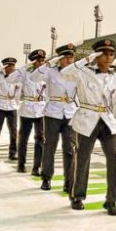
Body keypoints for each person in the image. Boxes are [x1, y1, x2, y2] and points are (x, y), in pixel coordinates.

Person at [62, 38, 116, 215]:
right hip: (87, 118)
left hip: (107, 118)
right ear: (97, 55)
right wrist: (86, 60)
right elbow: (65, 73)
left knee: (115, 157)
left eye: (111, 54)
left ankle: (112, 199)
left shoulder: (115, 77)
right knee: (82, 157)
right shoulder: (83, 72)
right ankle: (77, 195)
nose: (108, 57)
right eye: (104, 54)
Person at [40, 44, 78, 192]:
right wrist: (50, 62)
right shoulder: (50, 72)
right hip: (53, 113)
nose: (69, 60)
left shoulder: (76, 73)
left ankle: (69, 182)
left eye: (71, 57)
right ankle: (46, 178)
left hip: (70, 113)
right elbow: (35, 76)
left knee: (70, 149)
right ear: (60, 59)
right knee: (50, 147)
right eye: (66, 57)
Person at [13, 55, 47, 175]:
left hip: (41, 109)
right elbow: (14, 79)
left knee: (40, 139)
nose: (40, 62)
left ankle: (36, 167)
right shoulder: (25, 75)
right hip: (27, 109)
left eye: (42, 60)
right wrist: (27, 65)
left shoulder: (46, 75)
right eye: (37, 60)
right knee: (23, 139)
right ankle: (21, 164)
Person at [0, 58, 19, 160]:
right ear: (5, 66)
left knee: (14, 131)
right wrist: (0, 68)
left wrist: (16, 102)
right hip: (0, 105)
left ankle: (12, 153)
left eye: (13, 66)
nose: (11, 68)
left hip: (12, 105)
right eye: (9, 66)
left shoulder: (17, 77)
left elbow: (18, 91)